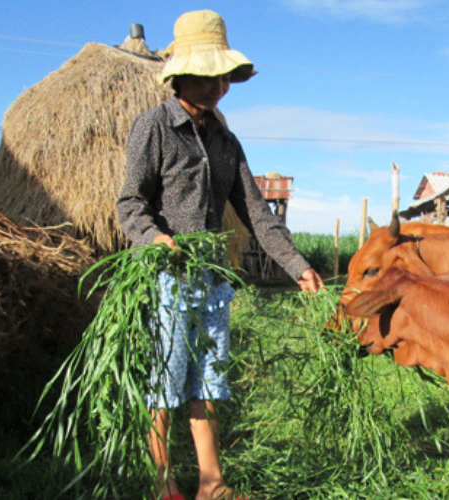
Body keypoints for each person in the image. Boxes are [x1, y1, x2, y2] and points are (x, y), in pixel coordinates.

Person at [116, 10, 325, 500]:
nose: (218, 87)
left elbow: (256, 212)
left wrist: (298, 266)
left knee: (208, 380)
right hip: (166, 276)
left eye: (223, 77)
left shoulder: (228, 142)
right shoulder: (154, 128)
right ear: (180, 73)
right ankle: (162, 480)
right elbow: (130, 202)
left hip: (212, 280)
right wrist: (153, 239)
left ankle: (212, 483)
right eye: (208, 77)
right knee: (165, 384)